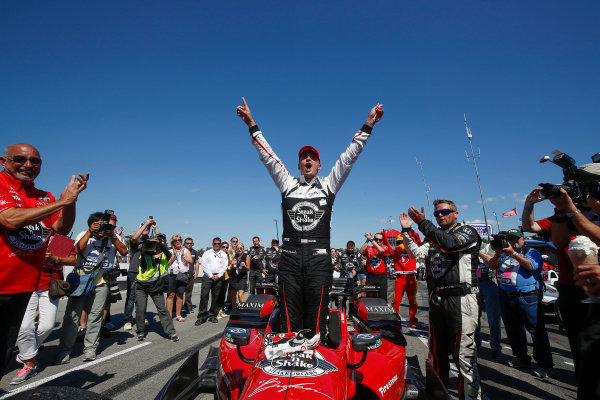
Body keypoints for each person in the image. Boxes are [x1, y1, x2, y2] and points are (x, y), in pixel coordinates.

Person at [236, 97, 383, 350]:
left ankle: (318, 367)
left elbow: (349, 157)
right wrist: (251, 124)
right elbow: (269, 158)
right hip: (290, 259)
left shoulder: (329, 185)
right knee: (290, 320)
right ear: (298, 164)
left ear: (319, 164)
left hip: (318, 259)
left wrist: (368, 126)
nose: (307, 160)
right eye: (303, 157)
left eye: (312, 158)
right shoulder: (287, 184)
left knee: (316, 322)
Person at [0, 143, 88, 379]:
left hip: (34, 284)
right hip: (5, 282)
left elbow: (61, 232)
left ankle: (25, 357)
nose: (28, 165)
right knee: (26, 329)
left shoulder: (44, 198)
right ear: (3, 161)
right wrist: (61, 202)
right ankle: (29, 360)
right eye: (20, 159)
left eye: (35, 161)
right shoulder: (2, 186)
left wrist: (70, 201)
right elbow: (9, 220)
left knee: (42, 328)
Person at [401, 200, 481, 400]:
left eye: (445, 212)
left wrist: (423, 223)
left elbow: (450, 244)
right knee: (436, 353)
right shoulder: (435, 237)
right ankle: (439, 395)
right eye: (437, 214)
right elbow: (417, 253)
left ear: (456, 213)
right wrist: (406, 232)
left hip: (462, 298)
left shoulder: (467, 231)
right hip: (438, 300)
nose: (440, 216)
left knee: (463, 355)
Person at [543, 175, 600, 399]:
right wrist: (561, 211)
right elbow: (557, 242)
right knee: (586, 358)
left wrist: (574, 210)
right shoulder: (573, 212)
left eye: (588, 186)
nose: (582, 191)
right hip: (581, 292)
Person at [56, 211, 127, 363]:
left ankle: (90, 349)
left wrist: (112, 236)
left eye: (105, 225)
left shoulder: (113, 237)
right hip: (81, 280)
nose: (103, 228)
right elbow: (76, 250)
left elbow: (124, 251)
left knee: (95, 317)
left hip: (101, 282)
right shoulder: (84, 234)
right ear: (92, 224)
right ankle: (64, 350)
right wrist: (90, 232)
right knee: (72, 317)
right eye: (99, 225)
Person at [487, 228, 553, 377]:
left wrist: (514, 254)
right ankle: (522, 358)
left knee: (536, 330)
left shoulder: (531, 252)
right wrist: (498, 253)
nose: (511, 242)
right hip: (506, 295)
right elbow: (491, 266)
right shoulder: (503, 253)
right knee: (513, 329)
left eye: (515, 239)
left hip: (527, 296)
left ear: (522, 239)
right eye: (509, 239)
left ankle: (545, 365)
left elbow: (531, 266)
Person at [11, 245, 76, 384]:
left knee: (47, 326)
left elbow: (72, 260)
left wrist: (55, 258)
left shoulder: (59, 239)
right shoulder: (27, 234)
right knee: (24, 327)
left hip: (50, 286)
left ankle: (27, 353)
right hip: (27, 283)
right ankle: (30, 364)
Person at [135, 235, 179, 342]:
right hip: (141, 285)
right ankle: (140, 331)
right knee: (140, 309)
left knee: (162, 310)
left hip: (156, 286)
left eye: (156, 244)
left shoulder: (164, 255)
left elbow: (168, 253)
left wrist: (158, 242)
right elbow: (142, 260)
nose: (153, 246)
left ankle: (171, 332)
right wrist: (146, 245)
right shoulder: (145, 253)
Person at [123, 218, 159, 331]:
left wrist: (155, 228)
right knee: (131, 296)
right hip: (134, 271)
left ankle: (142, 317)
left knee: (143, 296)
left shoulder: (151, 241)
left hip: (145, 272)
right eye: (144, 227)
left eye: (148, 228)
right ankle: (128, 320)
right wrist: (145, 224)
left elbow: (161, 242)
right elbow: (133, 238)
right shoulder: (136, 241)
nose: (146, 228)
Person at [385, 231, 420, 328]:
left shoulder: (413, 251)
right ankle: (396, 321)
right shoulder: (396, 253)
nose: (401, 244)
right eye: (399, 242)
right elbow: (388, 246)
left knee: (412, 301)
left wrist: (414, 233)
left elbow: (418, 241)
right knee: (396, 301)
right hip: (400, 278)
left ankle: (412, 320)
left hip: (411, 277)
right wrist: (384, 237)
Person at [476, 243, 503, 359]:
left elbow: (492, 263)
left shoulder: (490, 246)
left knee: (493, 318)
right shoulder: (465, 246)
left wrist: (479, 252)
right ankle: (476, 344)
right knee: (474, 318)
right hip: (474, 283)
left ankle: (496, 347)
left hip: (489, 283)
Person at [196, 237, 228, 325]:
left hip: (218, 277)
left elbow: (224, 266)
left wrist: (218, 275)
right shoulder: (207, 253)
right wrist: (211, 275)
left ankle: (212, 315)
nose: (217, 245)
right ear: (212, 244)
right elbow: (204, 265)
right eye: (215, 243)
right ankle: (201, 316)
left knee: (216, 297)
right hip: (207, 277)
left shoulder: (223, 254)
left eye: (218, 244)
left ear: (220, 244)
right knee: (204, 296)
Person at [167, 234, 193, 322]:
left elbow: (191, 261)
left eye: (179, 240)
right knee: (171, 295)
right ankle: (169, 316)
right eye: (175, 240)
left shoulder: (185, 250)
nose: (177, 241)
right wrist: (173, 255)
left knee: (180, 294)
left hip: (182, 274)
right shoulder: (169, 251)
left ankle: (178, 315)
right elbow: (167, 264)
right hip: (172, 274)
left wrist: (183, 256)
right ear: (172, 242)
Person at [360, 232, 390, 301]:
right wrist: (367, 240)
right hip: (371, 276)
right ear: (374, 239)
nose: (378, 241)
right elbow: (361, 251)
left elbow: (381, 250)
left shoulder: (384, 247)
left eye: (380, 240)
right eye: (376, 239)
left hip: (381, 276)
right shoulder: (369, 248)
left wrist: (371, 240)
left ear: (382, 241)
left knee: (383, 297)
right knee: (370, 297)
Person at [229, 242, 248, 308]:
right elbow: (231, 268)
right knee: (233, 295)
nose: (239, 249)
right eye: (238, 248)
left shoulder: (246, 256)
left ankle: (242, 309)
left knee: (240, 295)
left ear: (243, 248)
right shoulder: (234, 256)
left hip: (242, 277)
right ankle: (234, 309)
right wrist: (231, 264)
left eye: (241, 248)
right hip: (234, 277)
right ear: (236, 249)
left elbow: (248, 268)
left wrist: (244, 266)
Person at [183, 237, 199, 314]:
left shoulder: (194, 252)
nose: (189, 244)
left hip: (190, 274)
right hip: (181, 274)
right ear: (184, 243)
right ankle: (175, 308)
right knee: (178, 292)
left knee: (189, 292)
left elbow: (196, 262)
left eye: (190, 243)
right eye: (187, 243)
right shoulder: (181, 251)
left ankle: (188, 306)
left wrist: (196, 272)